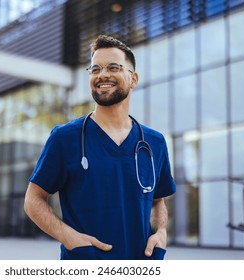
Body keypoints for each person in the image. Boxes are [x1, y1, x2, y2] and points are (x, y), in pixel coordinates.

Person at [24, 35, 176, 260]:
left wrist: (161, 232)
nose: (102, 75)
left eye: (113, 67)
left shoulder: (154, 142)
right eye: (95, 69)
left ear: (133, 79)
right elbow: (33, 200)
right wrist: (69, 237)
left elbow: (157, 201)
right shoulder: (65, 138)